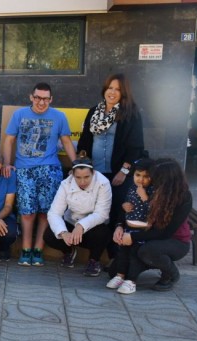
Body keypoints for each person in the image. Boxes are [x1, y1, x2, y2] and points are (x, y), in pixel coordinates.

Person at [1, 82, 77, 267]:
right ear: (31, 97)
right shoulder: (19, 115)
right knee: (27, 212)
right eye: (37, 98)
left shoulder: (59, 116)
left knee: (46, 212)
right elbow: (9, 140)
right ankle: (26, 249)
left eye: (45, 99)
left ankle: (38, 249)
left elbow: (66, 142)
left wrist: (76, 166)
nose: (41, 102)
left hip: (50, 169)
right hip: (24, 169)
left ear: (51, 99)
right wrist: (6, 163)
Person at [77, 73, 145, 244]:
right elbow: (85, 140)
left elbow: (135, 147)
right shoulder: (94, 111)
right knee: (94, 211)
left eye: (118, 89)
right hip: (95, 173)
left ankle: (114, 255)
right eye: (110, 88)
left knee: (116, 211)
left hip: (118, 174)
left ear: (124, 93)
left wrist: (123, 172)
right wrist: (84, 164)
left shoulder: (130, 114)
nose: (112, 92)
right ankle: (94, 252)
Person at [108, 159, 192, 294]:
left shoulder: (183, 197)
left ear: (167, 180)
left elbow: (165, 232)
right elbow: (130, 209)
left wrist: (133, 236)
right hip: (147, 234)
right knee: (114, 272)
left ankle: (170, 273)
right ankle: (143, 265)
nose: (150, 179)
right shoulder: (148, 188)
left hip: (174, 241)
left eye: (155, 177)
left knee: (147, 251)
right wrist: (119, 226)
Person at [43, 157, 112, 276]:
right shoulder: (66, 184)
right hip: (71, 221)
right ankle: (68, 251)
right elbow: (54, 213)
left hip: (93, 226)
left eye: (86, 177)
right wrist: (63, 233)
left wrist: (81, 226)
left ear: (93, 173)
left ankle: (94, 261)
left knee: (103, 233)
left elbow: (102, 214)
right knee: (49, 235)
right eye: (78, 177)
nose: (82, 182)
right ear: (72, 175)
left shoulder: (103, 183)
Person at [106, 158, 154, 290]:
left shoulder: (152, 191)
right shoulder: (131, 188)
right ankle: (120, 276)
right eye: (138, 175)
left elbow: (155, 211)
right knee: (122, 253)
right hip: (128, 228)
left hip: (142, 231)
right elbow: (127, 205)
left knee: (134, 255)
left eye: (146, 176)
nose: (140, 179)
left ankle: (131, 281)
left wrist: (144, 197)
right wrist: (124, 206)